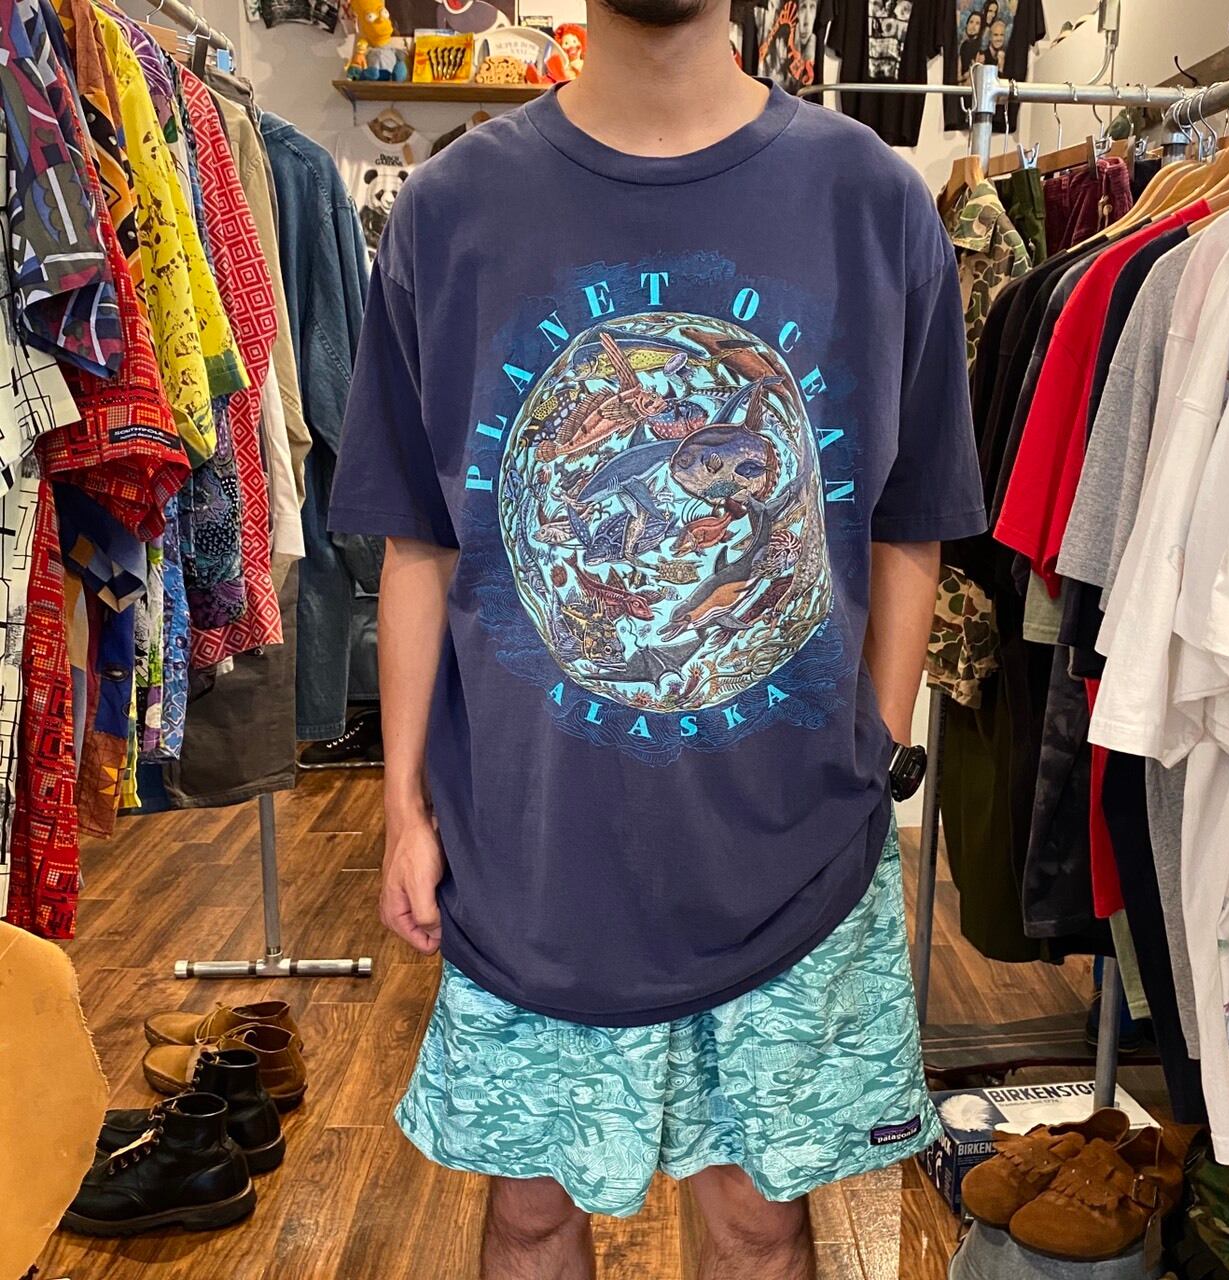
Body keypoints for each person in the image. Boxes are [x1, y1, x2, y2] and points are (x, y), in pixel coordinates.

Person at [329, 0, 984, 1270]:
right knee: (528, 1212)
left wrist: (873, 748)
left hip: (789, 847)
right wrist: (402, 806)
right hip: (527, 850)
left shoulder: (871, 200)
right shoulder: (450, 211)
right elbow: (418, 538)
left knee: (756, 1221)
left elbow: (910, 521)